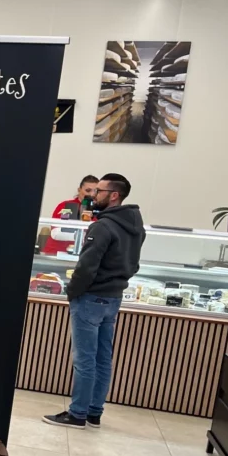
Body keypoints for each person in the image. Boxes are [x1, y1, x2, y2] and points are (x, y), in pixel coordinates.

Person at [45, 173, 145, 429]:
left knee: (85, 359)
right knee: (102, 358)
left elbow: (87, 267)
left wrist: (72, 291)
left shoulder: (102, 226)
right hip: (113, 298)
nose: (92, 195)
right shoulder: (135, 226)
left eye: (99, 191)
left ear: (114, 195)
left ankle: (77, 413)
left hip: (90, 298)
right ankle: (94, 412)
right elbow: (133, 265)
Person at [42, 175, 99, 255]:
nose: (92, 194)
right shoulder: (66, 206)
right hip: (57, 254)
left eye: (96, 191)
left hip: (84, 256)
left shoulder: (99, 211)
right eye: (88, 190)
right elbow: (57, 233)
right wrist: (85, 236)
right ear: (79, 190)